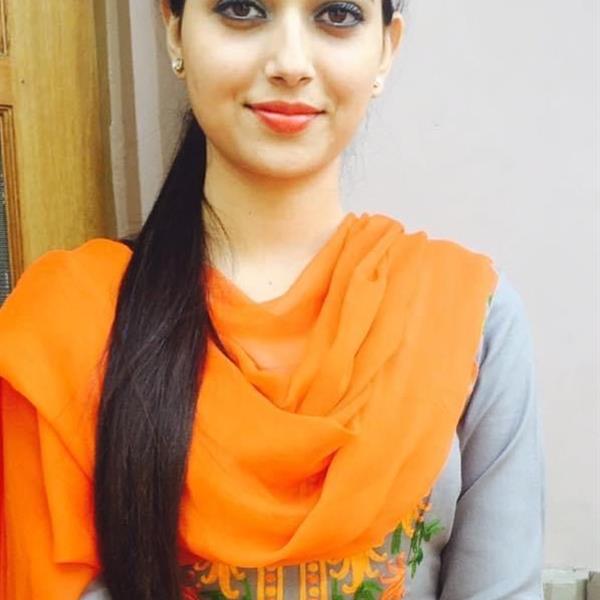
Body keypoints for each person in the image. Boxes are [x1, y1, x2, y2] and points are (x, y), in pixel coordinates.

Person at [0, 0, 545, 598]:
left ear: (386, 50)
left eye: (337, 15)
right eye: (242, 9)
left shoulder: (468, 317)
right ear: (175, 32)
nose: (290, 62)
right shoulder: (66, 328)